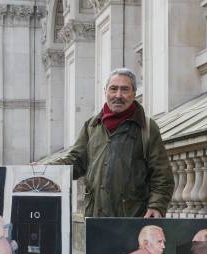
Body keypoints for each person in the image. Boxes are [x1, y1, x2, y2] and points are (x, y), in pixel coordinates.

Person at [51, 68, 174, 218]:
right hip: (95, 218)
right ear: (105, 92)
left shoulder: (147, 127)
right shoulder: (91, 126)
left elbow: (162, 174)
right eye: (113, 89)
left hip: (132, 219)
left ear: (134, 93)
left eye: (125, 90)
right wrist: (45, 170)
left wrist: (157, 205)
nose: (118, 95)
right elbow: (75, 161)